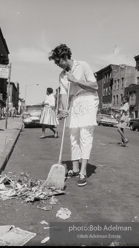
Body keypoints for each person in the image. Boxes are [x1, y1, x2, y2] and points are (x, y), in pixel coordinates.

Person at [48, 44, 99, 187]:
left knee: (85, 135)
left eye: (58, 61)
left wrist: (75, 80)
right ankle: (75, 169)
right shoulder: (62, 75)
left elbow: (95, 86)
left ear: (65, 57)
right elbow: (64, 95)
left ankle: (83, 172)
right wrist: (64, 109)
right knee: (73, 135)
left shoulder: (83, 65)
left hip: (88, 98)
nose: (57, 65)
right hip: (74, 101)